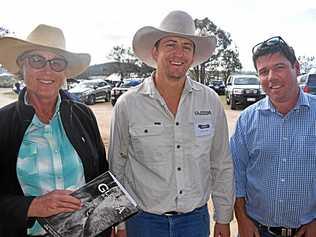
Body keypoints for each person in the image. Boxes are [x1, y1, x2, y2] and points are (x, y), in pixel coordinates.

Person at [109, 10, 234, 237]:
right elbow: (117, 166)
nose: (179, 53)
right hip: (142, 221)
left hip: (195, 222)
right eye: (170, 44)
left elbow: (221, 163)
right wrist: (119, 223)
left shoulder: (210, 101)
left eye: (187, 46)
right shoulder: (127, 104)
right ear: (155, 51)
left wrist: (223, 218)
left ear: (193, 55)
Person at [0, 24, 111, 237]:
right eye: (36, 60)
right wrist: (32, 206)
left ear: (65, 72)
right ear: (21, 66)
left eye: (56, 62)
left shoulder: (83, 115)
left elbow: (101, 175)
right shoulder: (3, 123)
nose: (47, 70)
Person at [230, 36, 316, 237]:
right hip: (258, 231)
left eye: (279, 67)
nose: (271, 77)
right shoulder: (247, 120)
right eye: (263, 71)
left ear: (296, 67)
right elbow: (236, 175)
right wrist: (242, 220)